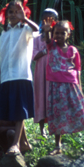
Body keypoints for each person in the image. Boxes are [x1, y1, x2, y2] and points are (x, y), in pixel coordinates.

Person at [41, 19, 84, 155]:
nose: (59, 36)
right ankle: (58, 145)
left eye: (63, 33)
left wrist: (79, 87)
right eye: (57, 33)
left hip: (71, 86)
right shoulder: (52, 46)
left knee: (80, 111)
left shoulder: (73, 50)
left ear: (69, 34)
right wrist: (47, 31)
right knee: (57, 114)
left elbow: (78, 69)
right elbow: (48, 40)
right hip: (55, 87)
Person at [0, 0, 39, 156]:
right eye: (10, 12)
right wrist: (0, 76)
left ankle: (16, 145)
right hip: (7, 77)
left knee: (19, 111)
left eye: (17, 11)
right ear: (5, 15)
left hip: (21, 75)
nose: (13, 15)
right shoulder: (4, 34)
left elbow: (37, 29)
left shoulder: (25, 29)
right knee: (13, 110)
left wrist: (24, 18)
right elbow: (3, 57)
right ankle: (24, 143)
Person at [33, 8, 59, 138]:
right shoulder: (37, 38)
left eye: (52, 20)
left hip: (54, 72)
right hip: (41, 72)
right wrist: (44, 52)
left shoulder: (58, 37)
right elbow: (33, 55)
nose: (48, 23)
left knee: (53, 97)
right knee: (41, 96)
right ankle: (42, 129)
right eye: (45, 20)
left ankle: (54, 127)